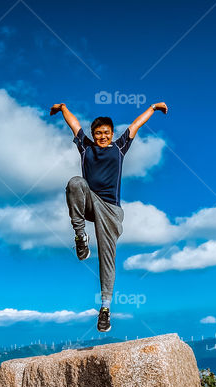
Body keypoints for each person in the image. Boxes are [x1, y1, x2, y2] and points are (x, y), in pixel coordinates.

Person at [49, 101, 168, 331]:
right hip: (90, 202)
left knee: (107, 255)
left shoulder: (119, 147)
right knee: (75, 182)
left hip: (111, 210)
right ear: (93, 135)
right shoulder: (85, 147)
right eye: (98, 133)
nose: (102, 136)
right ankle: (81, 237)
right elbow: (74, 126)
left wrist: (152, 109)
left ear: (112, 134)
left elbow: (135, 125)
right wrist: (64, 108)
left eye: (106, 133)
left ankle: (105, 308)